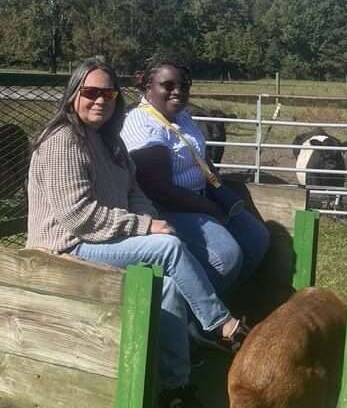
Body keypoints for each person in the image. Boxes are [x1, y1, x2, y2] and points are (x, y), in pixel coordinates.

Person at [26, 57, 247, 408]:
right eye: (91, 92)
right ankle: (223, 326)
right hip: (65, 244)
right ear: (73, 94)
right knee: (167, 248)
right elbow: (77, 216)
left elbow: (134, 191)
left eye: (109, 93)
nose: (100, 100)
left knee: (168, 288)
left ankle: (176, 388)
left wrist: (147, 217)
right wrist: (145, 227)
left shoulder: (109, 141)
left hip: (102, 236)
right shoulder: (62, 140)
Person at [120, 55, 270, 297]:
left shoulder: (181, 116)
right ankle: (191, 314)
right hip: (165, 208)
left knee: (256, 238)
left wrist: (217, 188)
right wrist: (210, 208)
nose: (178, 91)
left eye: (183, 86)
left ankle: (224, 299)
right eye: (168, 85)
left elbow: (197, 154)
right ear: (148, 87)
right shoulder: (143, 124)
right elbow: (159, 189)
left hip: (199, 197)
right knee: (226, 257)